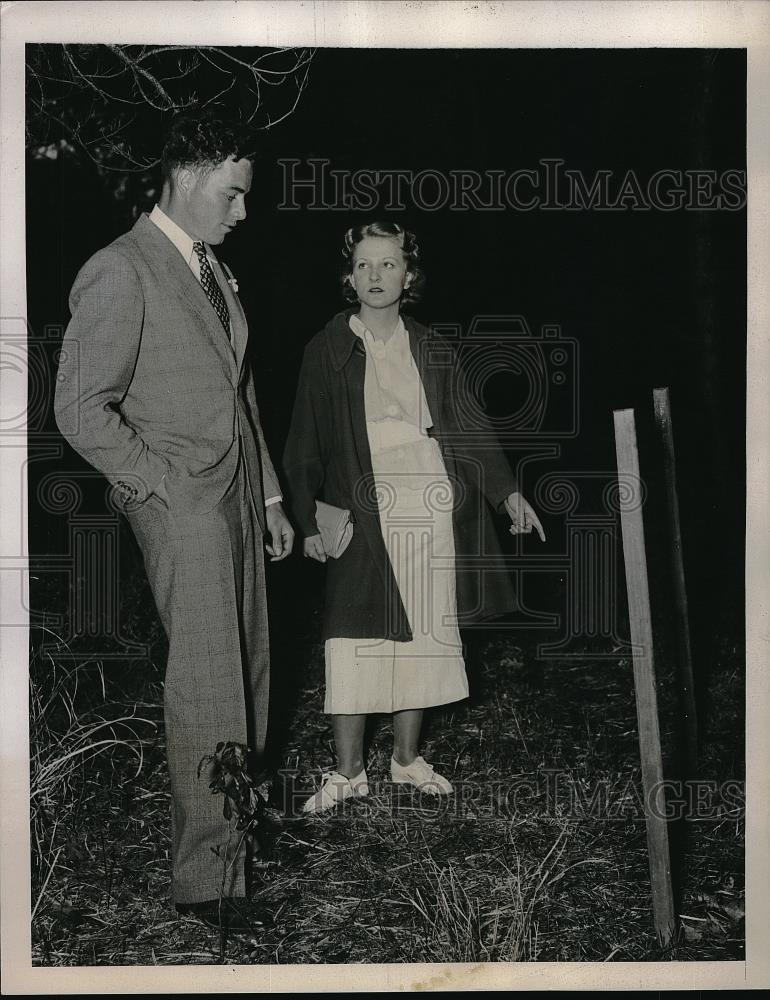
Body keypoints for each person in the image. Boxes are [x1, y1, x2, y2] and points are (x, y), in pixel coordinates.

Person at [53, 112, 294, 933]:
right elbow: (79, 408)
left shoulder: (212, 270)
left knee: (253, 664)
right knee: (206, 683)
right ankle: (209, 879)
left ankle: (243, 827)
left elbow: (240, 393)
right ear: (187, 175)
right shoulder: (120, 271)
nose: (243, 212)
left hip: (235, 495)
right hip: (182, 504)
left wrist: (266, 497)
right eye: (233, 193)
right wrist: (160, 484)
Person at [282, 221, 544, 814]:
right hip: (358, 505)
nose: (376, 276)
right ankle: (348, 773)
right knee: (351, 635)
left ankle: (405, 760)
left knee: (423, 629)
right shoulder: (325, 348)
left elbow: (469, 426)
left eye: (389, 264)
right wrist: (306, 519)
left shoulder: (430, 345)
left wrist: (507, 495)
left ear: (409, 274)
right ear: (349, 276)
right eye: (364, 265)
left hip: (426, 498)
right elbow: (304, 444)